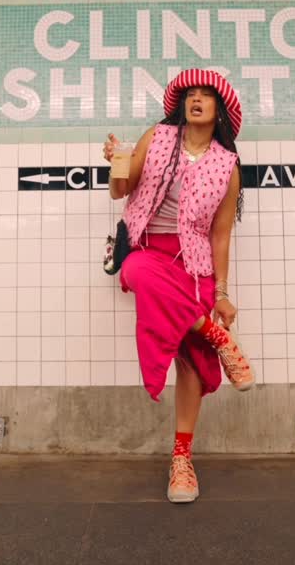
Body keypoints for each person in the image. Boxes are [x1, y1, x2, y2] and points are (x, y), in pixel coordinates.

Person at [102, 69, 255, 506]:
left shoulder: (227, 166)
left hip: (194, 264)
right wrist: (117, 163)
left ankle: (182, 459)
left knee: (190, 361)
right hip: (147, 250)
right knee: (138, 274)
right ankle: (217, 336)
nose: (196, 100)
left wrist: (221, 293)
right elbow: (120, 191)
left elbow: (220, 236)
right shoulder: (158, 137)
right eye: (191, 94)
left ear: (219, 110)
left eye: (206, 95)